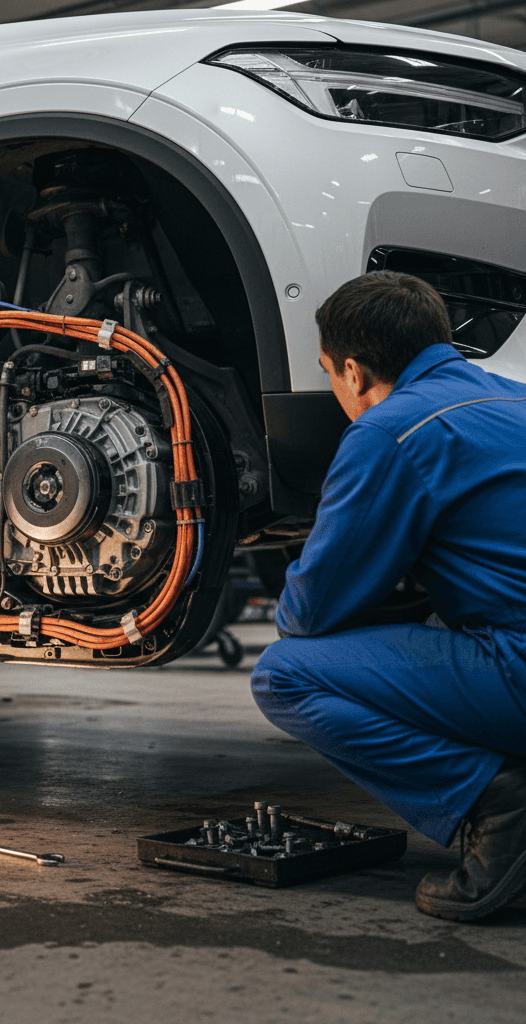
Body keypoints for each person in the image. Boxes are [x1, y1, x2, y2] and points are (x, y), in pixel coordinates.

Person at [251, 270, 526, 921]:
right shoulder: (515, 398)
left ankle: (498, 801)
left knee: (284, 676)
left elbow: (308, 614)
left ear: (351, 370)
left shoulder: (389, 429)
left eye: (327, 375)